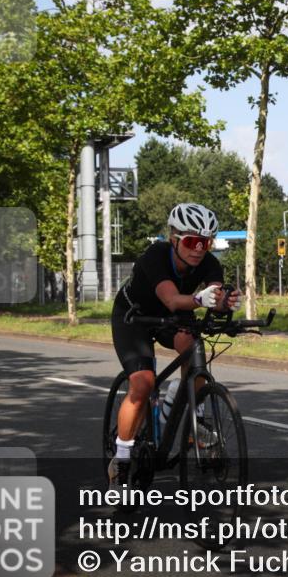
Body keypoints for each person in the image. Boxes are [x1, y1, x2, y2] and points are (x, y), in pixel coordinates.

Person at [107, 203, 240, 493]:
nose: (199, 249)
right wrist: (199, 300)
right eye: (192, 241)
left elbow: (214, 296)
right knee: (143, 383)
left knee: (193, 347)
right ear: (174, 238)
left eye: (205, 243)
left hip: (173, 318)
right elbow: (171, 299)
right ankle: (122, 459)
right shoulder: (154, 256)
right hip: (135, 318)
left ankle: (194, 419)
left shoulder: (209, 262)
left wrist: (225, 301)